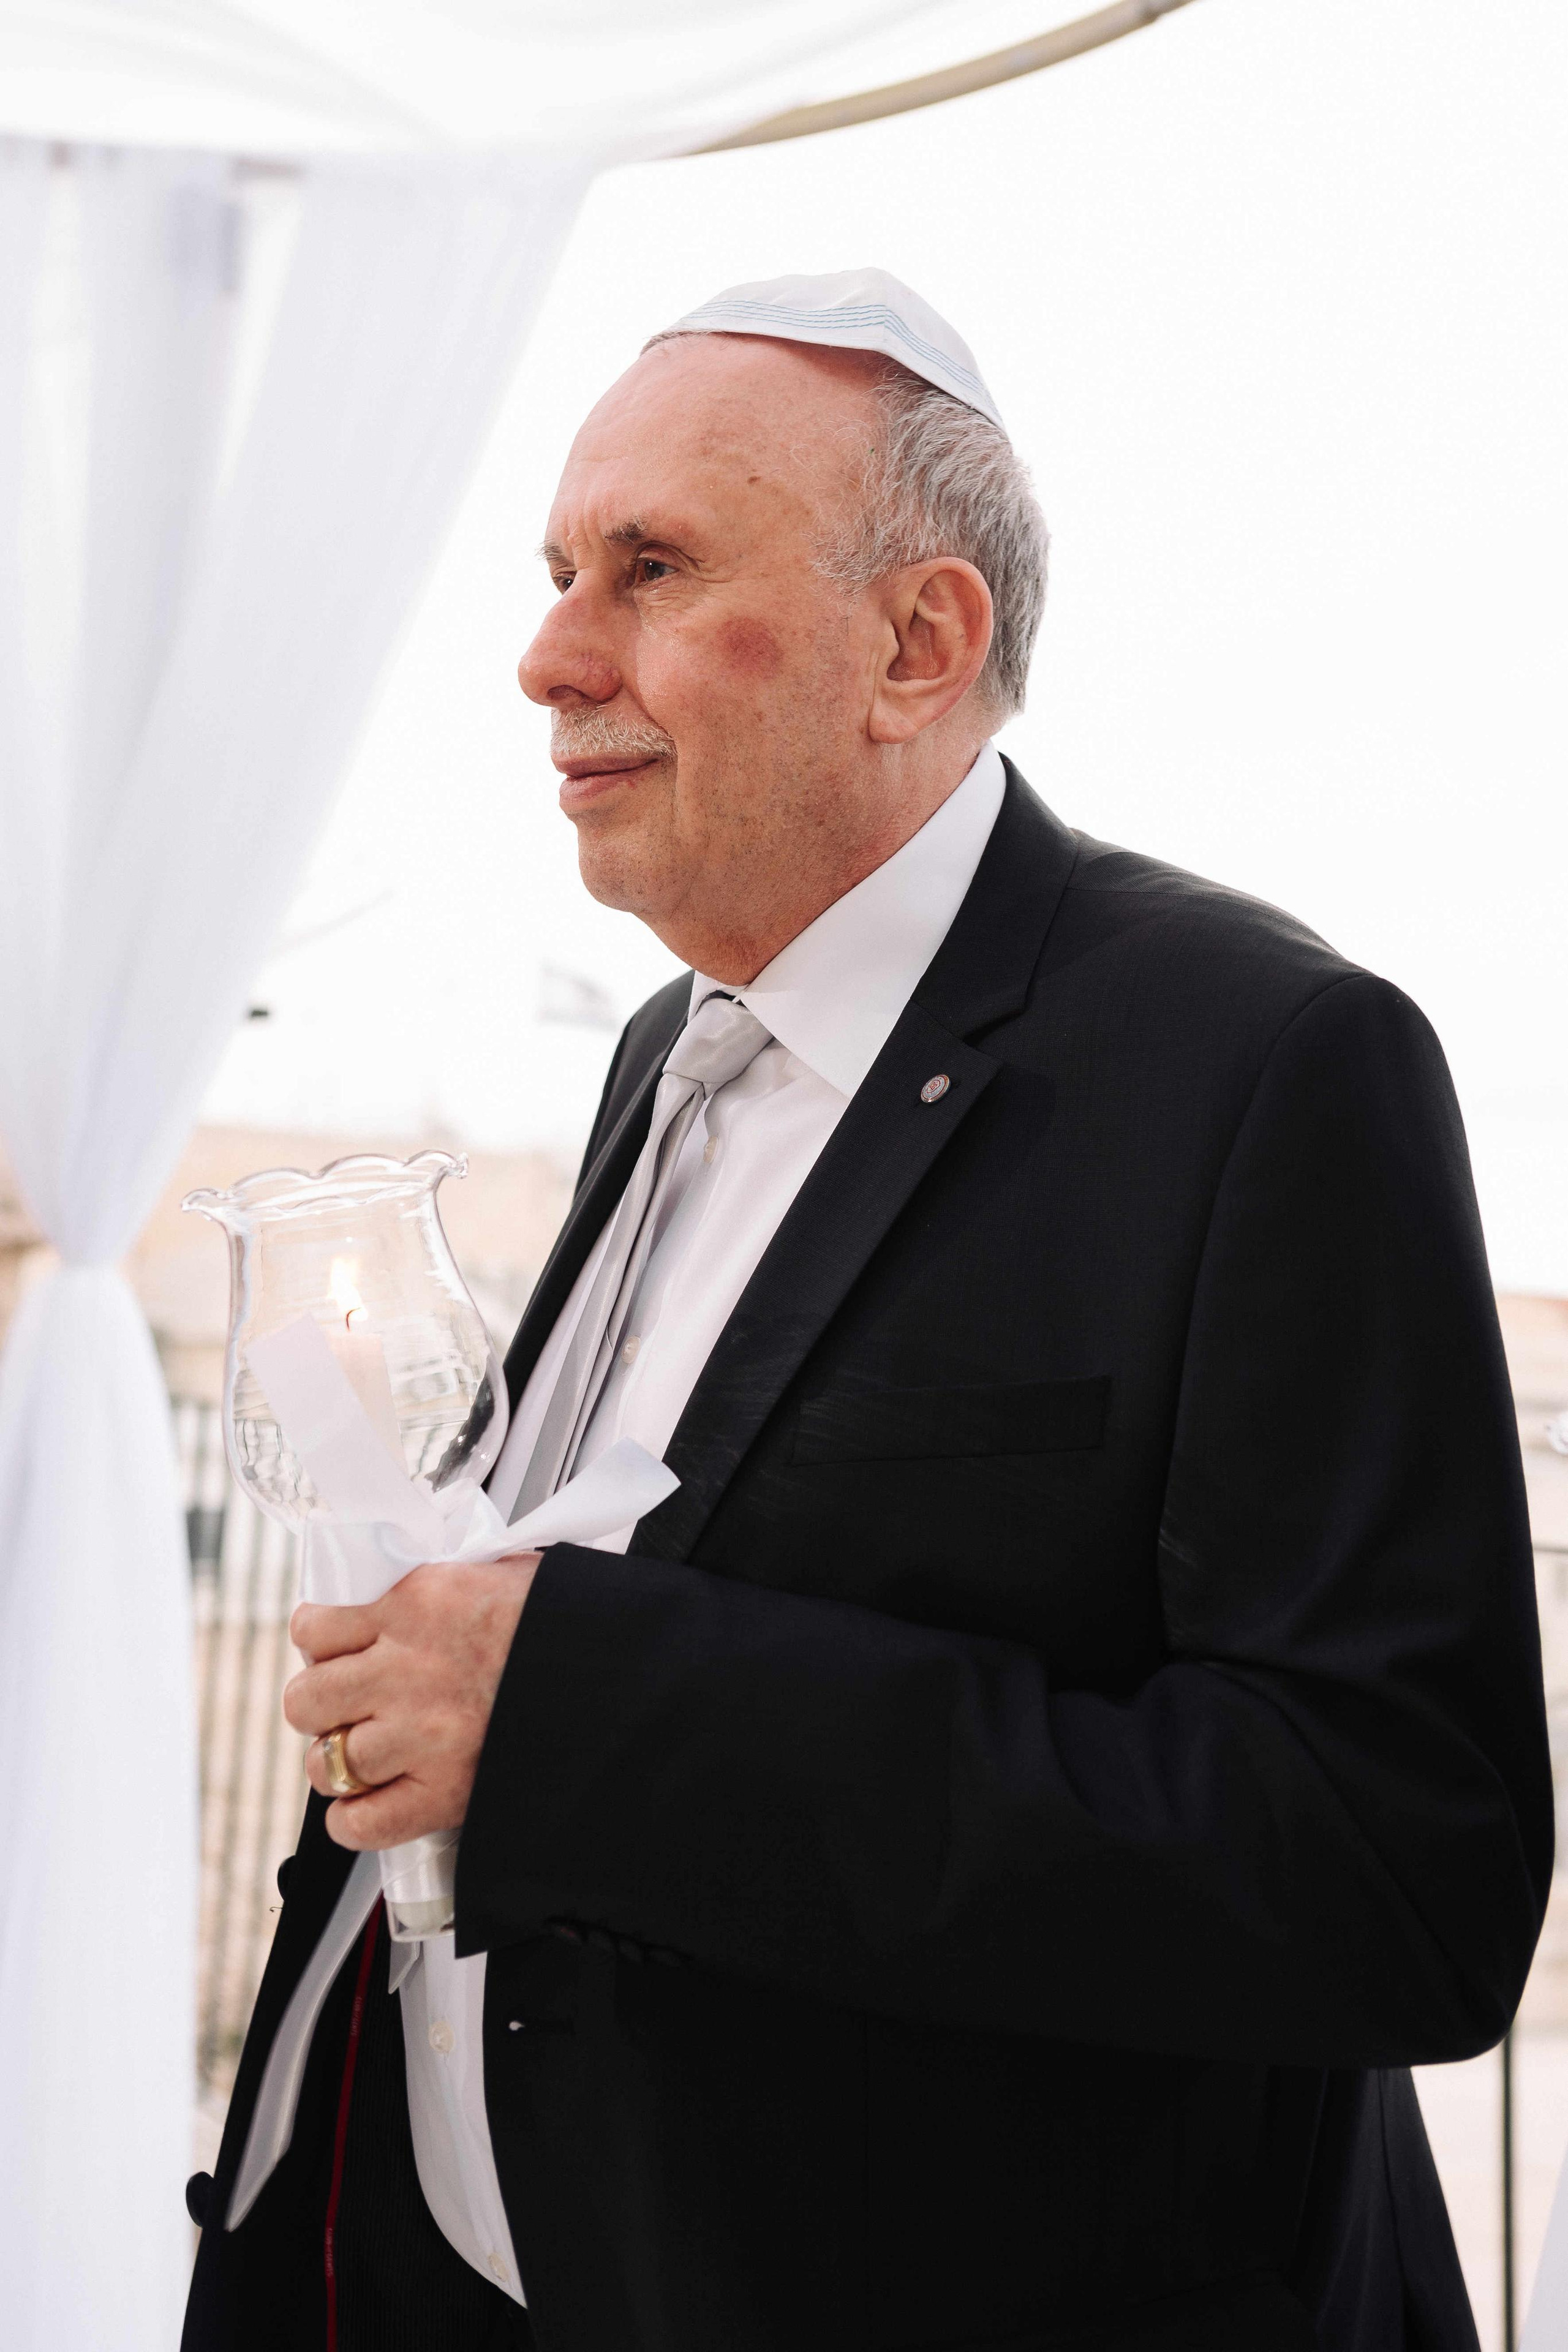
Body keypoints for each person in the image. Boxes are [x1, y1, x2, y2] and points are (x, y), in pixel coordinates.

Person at [184, 269, 1553, 2352]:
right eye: (562, 569)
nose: (550, 653)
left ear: (920, 643)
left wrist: (579, 1713)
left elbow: (1393, 1876)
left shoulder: (1268, 1058)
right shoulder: (672, 1042)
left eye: (650, 569)